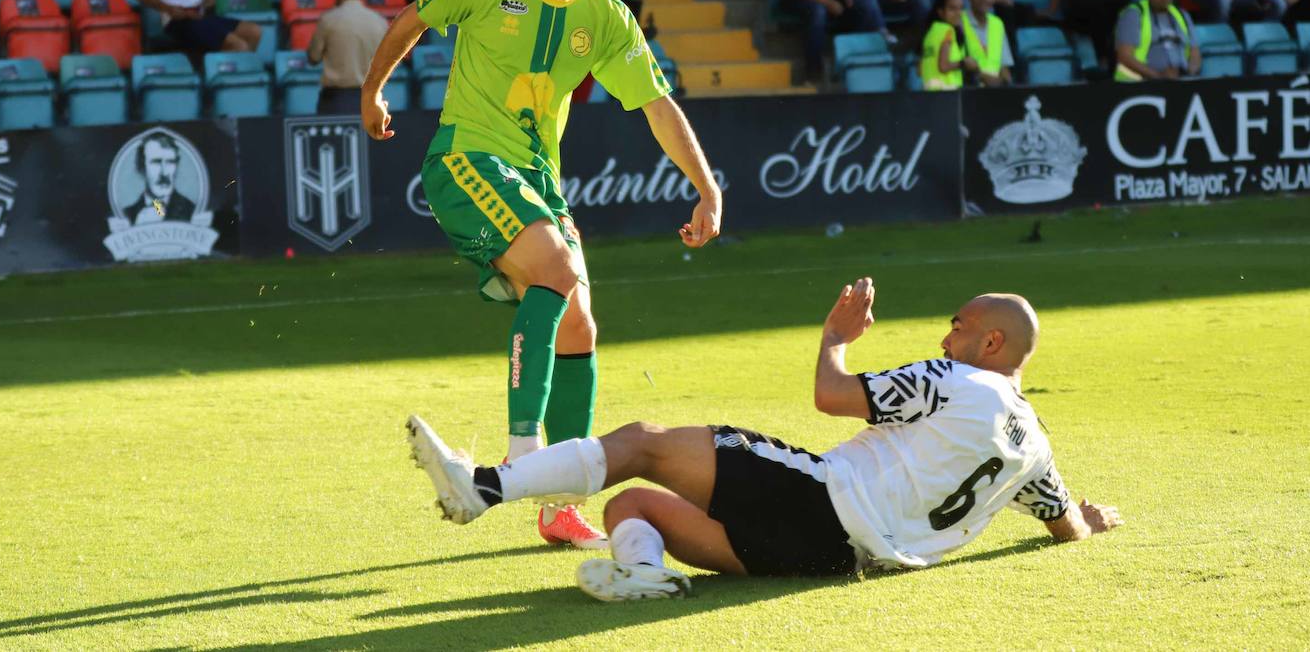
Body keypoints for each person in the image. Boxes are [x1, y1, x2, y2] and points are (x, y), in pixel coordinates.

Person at [361, 0, 723, 550]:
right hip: (465, 159)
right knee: (557, 272)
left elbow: (656, 104)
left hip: (537, 181)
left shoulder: (607, 18)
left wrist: (707, 186)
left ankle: (560, 503)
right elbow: (410, 21)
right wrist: (371, 91)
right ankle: (523, 457)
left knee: (580, 327)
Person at [408, 279, 1122, 600]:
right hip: (835, 562)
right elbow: (1064, 525)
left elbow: (832, 398)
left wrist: (836, 339)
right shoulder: (1035, 445)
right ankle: (645, 577)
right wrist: (1085, 522)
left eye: (960, 325)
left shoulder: (954, 380)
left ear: (993, 340)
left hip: (824, 502)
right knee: (632, 508)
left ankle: (484, 489)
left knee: (644, 441)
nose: (947, 335)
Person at [307, 0, 388, 113]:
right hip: (372, 99)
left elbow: (313, 58)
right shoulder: (380, 22)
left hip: (336, 100)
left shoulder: (328, 20)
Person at [1113, 0, 1200, 81]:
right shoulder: (1133, 14)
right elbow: (1125, 57)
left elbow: (1194, 52)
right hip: (1142, 83)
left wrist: (1190, 73)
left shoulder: (1182, 14)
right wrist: (1158, 76)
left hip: (1182, 80)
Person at [129, 132, 196, 224]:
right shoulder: (127, 216)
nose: (164, 172)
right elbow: (157, 204)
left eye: (170, 162)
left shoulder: (193, 213)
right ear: (141, 167)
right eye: (156, 162)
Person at [961, 0, 1012, 85]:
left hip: (993, 91)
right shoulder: (959, 21)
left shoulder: (997, 23)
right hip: (968, 89)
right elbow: (959, 63)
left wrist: (1008, 86)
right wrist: (985, 78)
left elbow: (1004, 64)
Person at [920, 0, 974, 89]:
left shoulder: (930, 33)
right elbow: (943, 67)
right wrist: (964, 63)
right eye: (952, 9)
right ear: (941, 12)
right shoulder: (947, 31)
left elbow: (919, 70)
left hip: (929, 91)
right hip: (947, 91)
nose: (958, 13)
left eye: (961, 8)